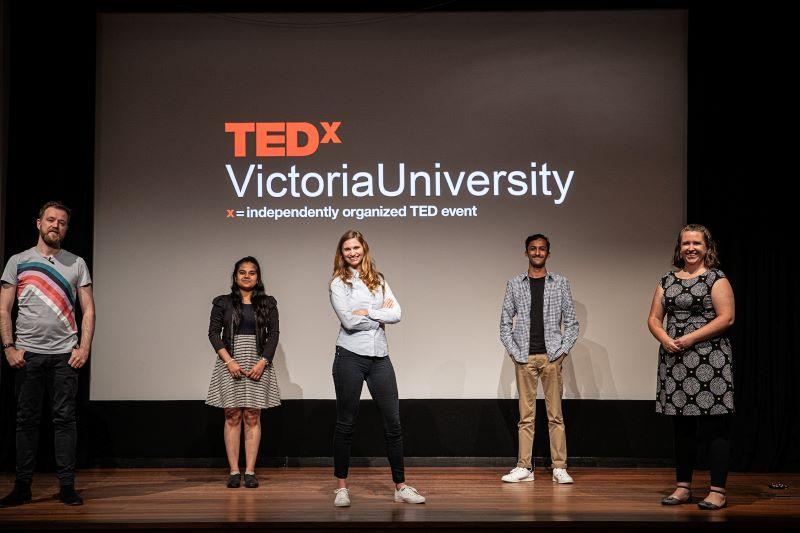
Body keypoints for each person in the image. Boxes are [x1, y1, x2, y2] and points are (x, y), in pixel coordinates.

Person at [0, 201, 95, 507]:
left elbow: (89, 309)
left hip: (64, 356)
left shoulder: (76, 263)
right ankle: (23, 486)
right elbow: (4, 308)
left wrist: (84, 348)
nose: (56, 225)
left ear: (66, 229)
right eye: (51, 220)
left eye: (62, 222)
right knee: (26, 421)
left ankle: (66, 486)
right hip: (28, 355)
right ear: (38, 223)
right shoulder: (18, 261)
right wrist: (9, 347)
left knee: (65, 420)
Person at [328, 230, 424, 507]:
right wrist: (379, 314)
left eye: (356, 247)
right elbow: (347, 321)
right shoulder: (338, 283)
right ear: (341, 253)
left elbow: (397, 314)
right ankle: (342, 488)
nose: (352, 253)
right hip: (349, 356)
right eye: (347, 249)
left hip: (380, 357)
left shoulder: (378, 280)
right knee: (345, 424)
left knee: (393, 424)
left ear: (364, 249)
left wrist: (368, 313)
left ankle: (400, 486)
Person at [648, 224, 735, 510]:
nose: (691, 248)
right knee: (681, 428)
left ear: (707, 247)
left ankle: (717, 491)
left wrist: (689, 339)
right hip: (675, 360)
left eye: (696, 243)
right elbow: (653, 318)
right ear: (679, 247)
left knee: (713, 427)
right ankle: (683, 487)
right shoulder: (666, 279)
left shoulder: (716, 278)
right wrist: (665, 339)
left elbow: (726, 318)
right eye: (686, 243)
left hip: (710, 358)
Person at [499, 233, 579, 485]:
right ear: (526, 252)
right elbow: (504, 324)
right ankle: (524, 467)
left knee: (555, 415)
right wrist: (515, 353)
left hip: (551, 357)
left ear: (548, 253)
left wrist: (561, 352)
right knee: (526, 417)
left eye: (541, 249)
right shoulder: (514, 284)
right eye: (532, 249)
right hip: (525, 358)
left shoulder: (560, 283)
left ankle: (559, 466)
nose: (537, 253)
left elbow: (572, 323)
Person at [207, 256, 280, 489]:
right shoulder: (222, 303)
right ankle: (234, 471)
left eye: (252, 272)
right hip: (230, 359)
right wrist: (229, 361)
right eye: (242, 272)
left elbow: (274, 334)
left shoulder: (268, 303)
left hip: (257, 359)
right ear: (235, 276)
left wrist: (263, 361)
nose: (247, 276)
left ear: (258, 277)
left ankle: (250, 471)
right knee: (232, 415)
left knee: (252, 415)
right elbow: (213, 334)